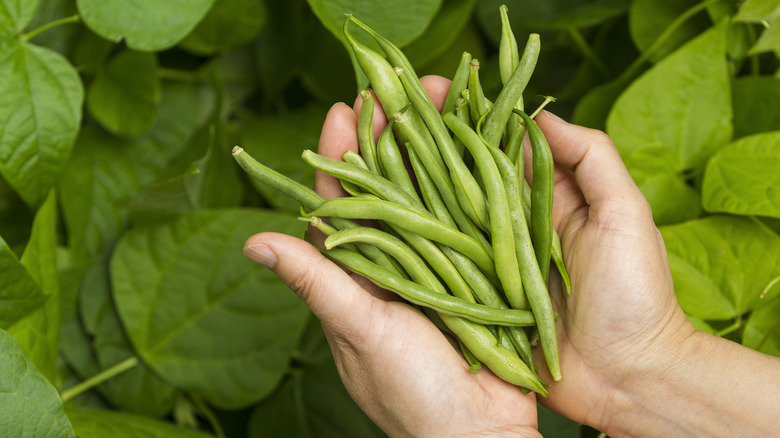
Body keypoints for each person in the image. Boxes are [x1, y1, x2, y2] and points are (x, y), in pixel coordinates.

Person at [242, 76, 780, 437]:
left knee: (465, 192)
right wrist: (646, 361)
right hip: (526, 325)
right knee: (431, 206)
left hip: (523, 324)